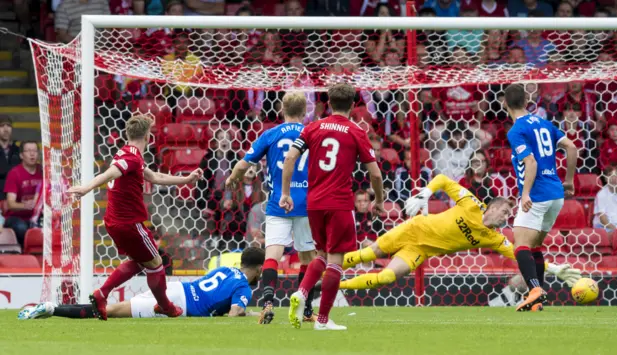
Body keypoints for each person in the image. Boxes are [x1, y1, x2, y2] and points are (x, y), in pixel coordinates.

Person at [340, 174, 580, 292]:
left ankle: (335, 286)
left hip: (421, 250)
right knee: (369, 254)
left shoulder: (494, 238)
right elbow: (444, 180)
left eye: (509, 214)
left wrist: (555, 268)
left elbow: (521, 255)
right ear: (493, 207)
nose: (507, 217)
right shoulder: (472, 204)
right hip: (413, 230)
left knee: (386, 277)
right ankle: (329, 273)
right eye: (505, 211)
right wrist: (426, 193)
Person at [67, 115, 203, 320]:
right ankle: (165, 306)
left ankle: (101, 294)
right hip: (129, 223)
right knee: (157, 263)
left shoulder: (128, 154)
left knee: (141, 261)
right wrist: (87, 188)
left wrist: (187, 178)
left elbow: (156, 177)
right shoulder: (130, 158)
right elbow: (110, 173)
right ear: (148, 136)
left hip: (115, 222)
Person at [280, 83, 384, 331]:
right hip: (338, 203)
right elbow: (376, 174)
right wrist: (379, 200)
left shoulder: (312, 127)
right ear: (352, 105)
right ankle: (323, 321)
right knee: (336, 260)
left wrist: (285, 193)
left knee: (321, 256)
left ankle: (302, 292)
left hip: (313, 202)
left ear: (328, 103)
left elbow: (290, 158)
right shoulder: (355, 131)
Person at [225, 92, 317, 325]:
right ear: (305, 111)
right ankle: (306, 311)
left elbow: (244, 164)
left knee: (272, 255)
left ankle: (267, 304)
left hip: (278, 202)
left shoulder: (270, 134)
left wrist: (232, 179)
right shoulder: (312, 133)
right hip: (306, 202)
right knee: (307, 257)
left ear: (281, 109)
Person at [19, 247, 265, 320]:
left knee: (111, 310)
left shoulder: (224, 269)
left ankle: (52, 308)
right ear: (259, 269)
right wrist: (246, 314)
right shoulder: (243, 287)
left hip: (178, 290)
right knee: (110, 312)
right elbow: (234, 313)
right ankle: (51, 309)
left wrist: (250, 312)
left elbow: (224, 303)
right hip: (179, 304)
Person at [502, 84, 578, 312]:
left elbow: (531, 162)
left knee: (521, 245)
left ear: (505, 104)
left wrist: (525, 193)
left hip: (537, 194)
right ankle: (537, 300)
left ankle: (534, 289)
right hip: (556, 194)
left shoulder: (515, 130)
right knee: (534, 246)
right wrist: (570, 180)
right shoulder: (545, 124)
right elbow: (572, 147)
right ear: (527, 102)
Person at [3, 141, 43, 247]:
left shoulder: (43, 171)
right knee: (21, 228)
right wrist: (26, 206)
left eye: (35, 151)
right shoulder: (14, 173)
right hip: (16, 217)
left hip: (38, 217)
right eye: (28, 151)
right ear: (21, 155)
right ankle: (23, 253)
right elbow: (11, 204)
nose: (32, 154)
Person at [0, 115, 21, 200]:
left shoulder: (18, 150)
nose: (6, 129)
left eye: (8, 126)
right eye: (2, 126)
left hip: (14, 198)